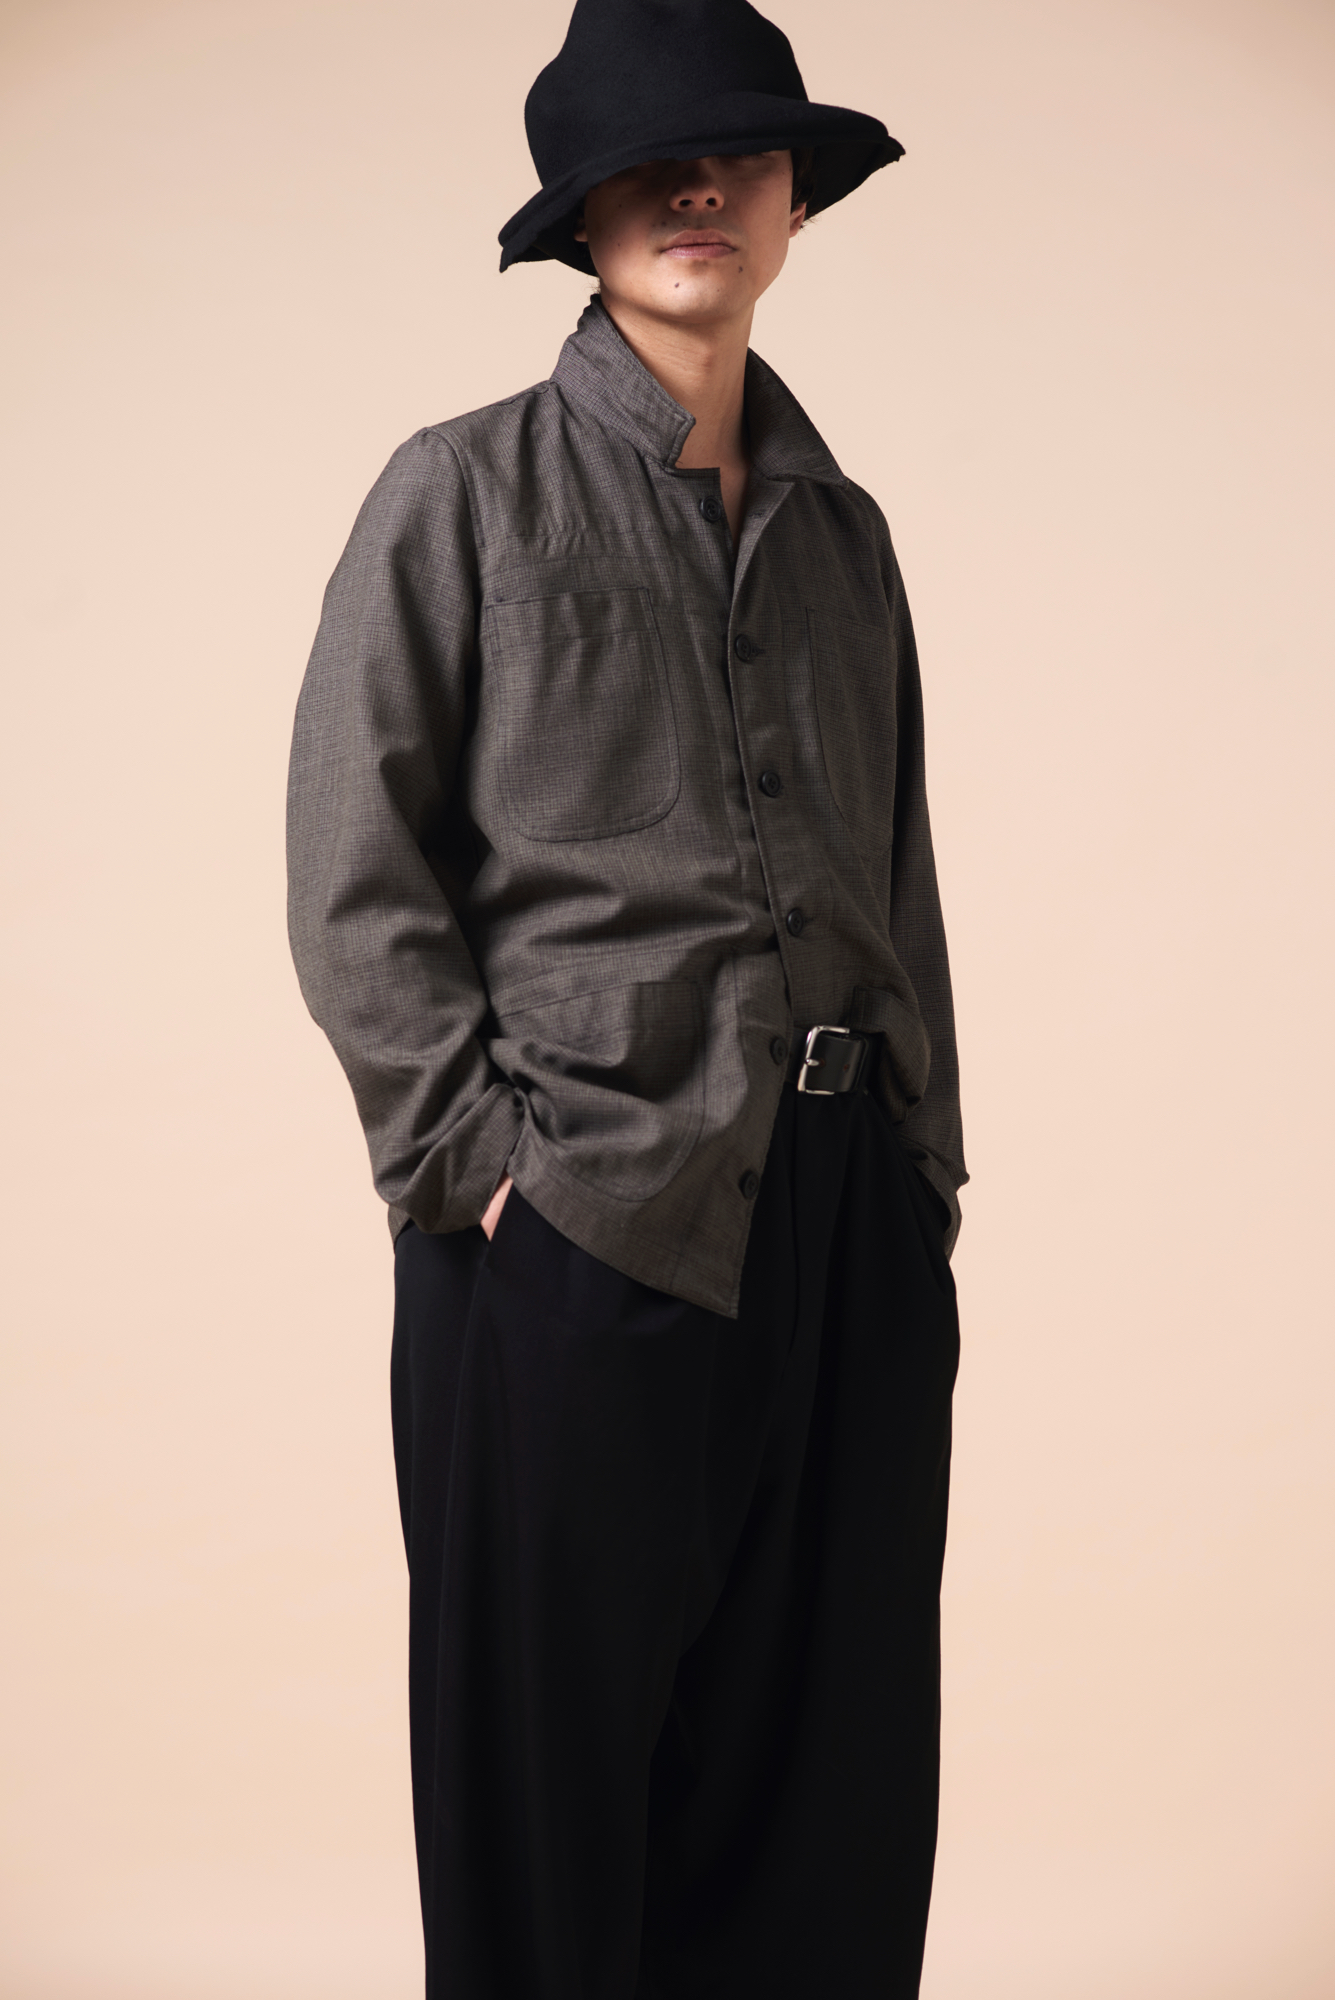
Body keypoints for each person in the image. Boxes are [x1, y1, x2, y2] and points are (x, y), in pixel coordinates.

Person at [286, 0, 967, 1992]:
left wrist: (919, 1173)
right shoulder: (461, 497)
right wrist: (480, 1170)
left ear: (792, 205)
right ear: (581, 216)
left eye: (737, 157)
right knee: (550, 1816)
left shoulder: (843, 535)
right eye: (647, 165)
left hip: (843, 1227)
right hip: (577, 1228)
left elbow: (897, 870)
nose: (695, 191)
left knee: (830, 1803)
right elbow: (352, 859)